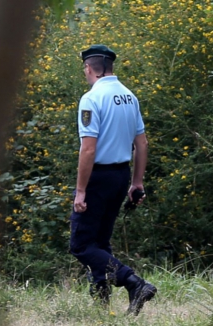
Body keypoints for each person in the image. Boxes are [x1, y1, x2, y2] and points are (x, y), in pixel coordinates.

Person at [69, 44, 157, 315]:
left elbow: (89, 148)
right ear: (110, 66)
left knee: (82, 245)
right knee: (100, 242)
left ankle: (134, 282)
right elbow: (141, 144)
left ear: (88, 68)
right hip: (120, 176)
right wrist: (137, 182)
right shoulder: (130, 97)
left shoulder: (91, 99)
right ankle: (102, 305)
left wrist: (81, 190)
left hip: (98, 177)